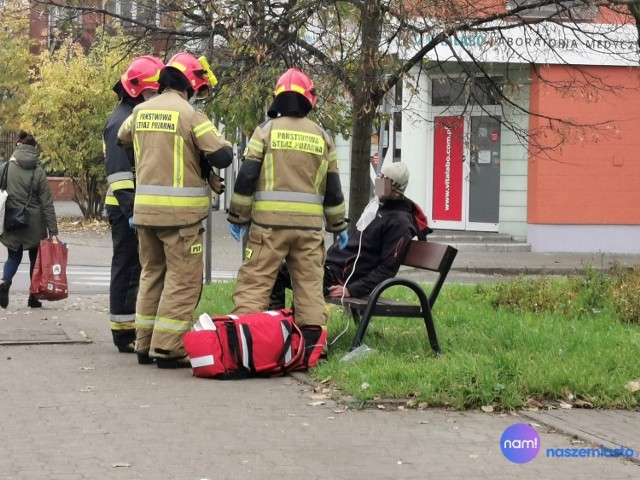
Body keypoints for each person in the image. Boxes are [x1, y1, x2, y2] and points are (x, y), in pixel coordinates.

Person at [117, 51, 233, 368]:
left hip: (144, 214)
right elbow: (223, 156)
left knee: (152, 276)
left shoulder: (140, 111)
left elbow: (121, 137)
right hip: (180, 219)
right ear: (191, 83)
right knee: (182, 281)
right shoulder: (191, 116)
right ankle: (168, 348)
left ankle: (144, 344)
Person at [227, 67, 348, 365]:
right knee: (309, 287)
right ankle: (311, 351)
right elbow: (333, 188)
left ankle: (246, 348)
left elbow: (246, 178)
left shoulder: (265, 132)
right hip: (308, 229)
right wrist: (338, 225)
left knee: (255, 283)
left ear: (278, 99)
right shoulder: (322, 137)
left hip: (269, 227)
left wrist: (238, 217)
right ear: (310, 100)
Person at [269, 161, 430, 308]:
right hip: (330, 267)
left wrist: (351, 290)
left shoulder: (400, 223)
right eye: (380, 176)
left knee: (303, 282)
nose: (379, 182)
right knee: (277, 270)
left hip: (341, 277)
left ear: (396, 189)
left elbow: (387, 269)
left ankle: (296, 331)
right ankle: (279, 324)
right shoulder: (377, 207)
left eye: (385, 181)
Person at [103, 55, 164, 354]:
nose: (157, 96)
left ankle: (128, 328)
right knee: (127, 269)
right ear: (140, 90)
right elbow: (118, 173)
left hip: (130, 205)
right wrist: (131, 211)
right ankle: (123, 333)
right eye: (155, 91)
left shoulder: (131, 114)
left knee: (134, 268)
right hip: (124, 207)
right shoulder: (120, 121)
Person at [0, 131, 59, 309]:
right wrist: (53, 231)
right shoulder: (38, 171)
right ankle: (33, 297)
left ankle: (5, 282)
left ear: (18, 145)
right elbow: (47, 203)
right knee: (36, 260)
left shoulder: (5, 168)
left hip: (12, 219)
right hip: (35, 223)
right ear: (34, 148)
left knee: (14, 255)